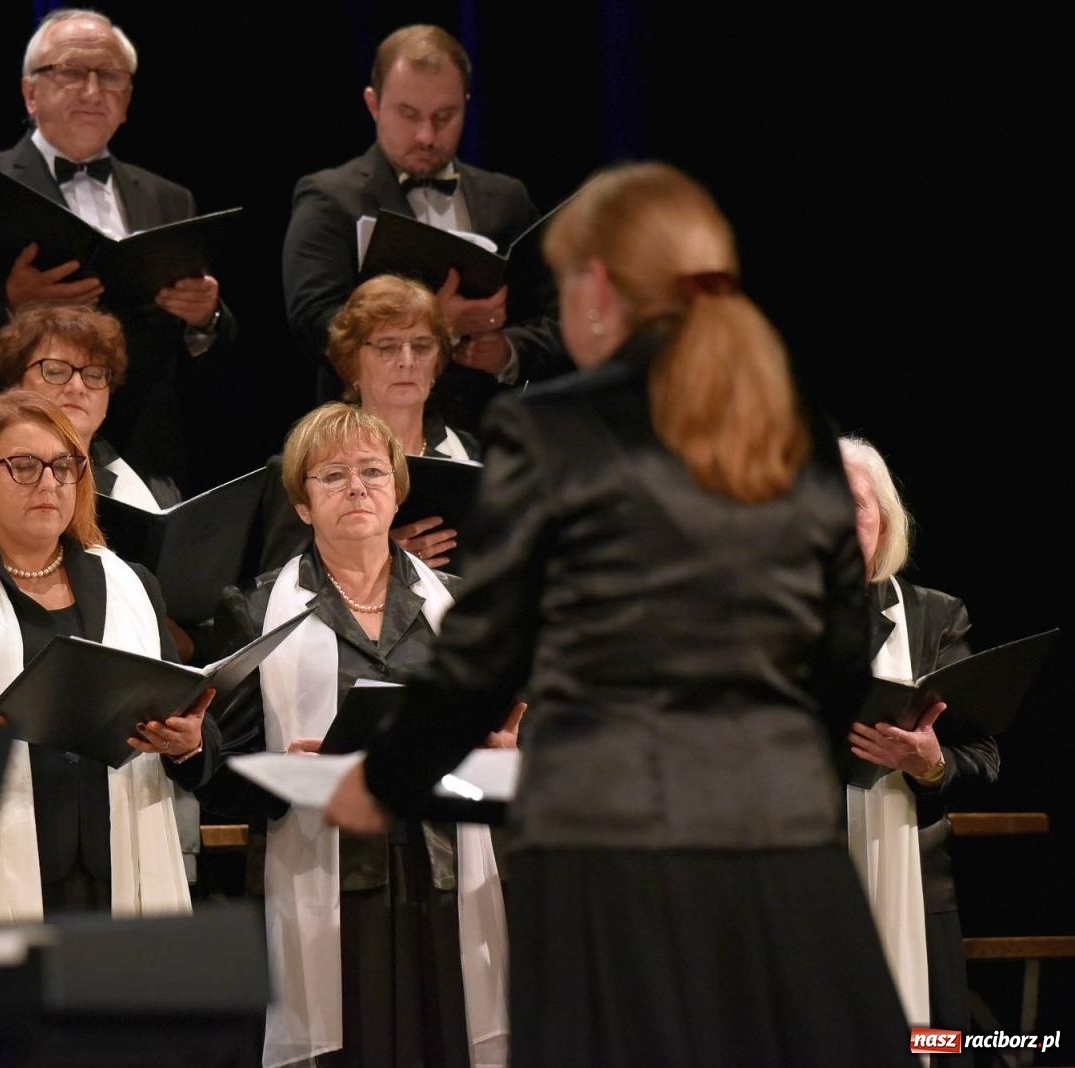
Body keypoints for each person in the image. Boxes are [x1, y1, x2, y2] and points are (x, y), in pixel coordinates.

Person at [324, 162, 914, 1066]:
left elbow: (486, 655)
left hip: (615, 858)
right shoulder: (794, 432)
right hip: (785, 848)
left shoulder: (554, 431)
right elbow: (842, 663)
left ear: (599, 285)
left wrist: (385, 780)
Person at [196, 403, 513, 1067]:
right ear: (303, 505)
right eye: (332, 476)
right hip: (336, 880)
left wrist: (504, 757)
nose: (357, 487)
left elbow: (503, 743)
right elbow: (228, 777)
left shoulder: (458, 605)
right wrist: (284, 769)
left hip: (446, 870)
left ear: (398, 491)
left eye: (373, 471)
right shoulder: (255, 609)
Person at [0, 390, 215, 920]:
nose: (49, 482)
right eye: (24, 466)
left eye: (63, 466)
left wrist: (189, 742)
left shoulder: (133, 586)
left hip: (123, 873)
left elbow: (191, 726)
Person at [0, 7, 236, 488]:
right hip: (13, 456)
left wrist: (205, 316)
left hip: (143, 455)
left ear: (127, 100)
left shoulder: (170, 197)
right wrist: (11, 304)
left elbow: (212, 355)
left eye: (109, 76)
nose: (92, 90)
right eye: (71, 72)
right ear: (29, 92)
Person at [282, 24, 568, 426]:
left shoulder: (507, 198)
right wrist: (435, 323)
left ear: (466, 104)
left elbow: (559, 316)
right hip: (368, 444)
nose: (426, 135)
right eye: (408, 114)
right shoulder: (330, 199)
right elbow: (315, 324)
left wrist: (507, 352)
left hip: (489, 438)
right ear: (373, 104)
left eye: (445, 116)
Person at [841, 434, 999, 1032]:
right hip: (795, 888)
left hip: (913, 890)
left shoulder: (935, 617)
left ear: (882, 520)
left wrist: (930, 764)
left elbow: (981, 755)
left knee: (926, 1042)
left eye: (854, 503)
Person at [0, 303, 178, 564]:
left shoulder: (156, 491)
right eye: (56, 371)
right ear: (14, 385)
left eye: (94, 375)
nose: (77, 386)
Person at [259, 275, 476, 573]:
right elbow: (274, 586)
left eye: (423, 346)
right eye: (387, 347)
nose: (407, 361)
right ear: (352, 363)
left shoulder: (471, 452)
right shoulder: (306, 464)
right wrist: (378, 558)